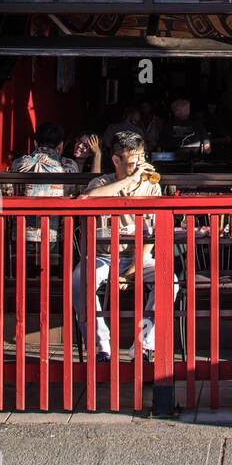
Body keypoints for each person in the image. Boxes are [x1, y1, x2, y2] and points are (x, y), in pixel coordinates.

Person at [71, 129, 173, 363]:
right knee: (79, 280)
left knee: (170, 281)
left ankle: (144, 345)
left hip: (138, 257)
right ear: (116, 160)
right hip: (104, 256)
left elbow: (152, 235)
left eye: (142, 158)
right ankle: (101, 346)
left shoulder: (151, 187)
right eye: (134, 160)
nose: (140, 164)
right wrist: (129, 180)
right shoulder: (102, 182)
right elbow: (90, 198)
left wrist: (132, 270)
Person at [8, 122, 80, 252]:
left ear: (35, 143)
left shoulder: (18, 164)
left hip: (21, 235)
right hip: (55, 238)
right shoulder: (68, 167)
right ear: (60, 146)